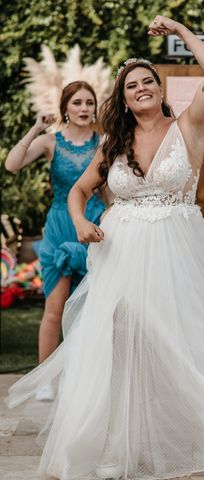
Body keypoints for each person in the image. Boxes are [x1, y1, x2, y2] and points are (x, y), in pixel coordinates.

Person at [8, 16, 204, 479]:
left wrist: (181, 31)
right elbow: (79, 191)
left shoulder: (190, 124)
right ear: (123, 99)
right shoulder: (113, 143)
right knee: (117, 346)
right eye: (132, 86)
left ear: (160, 90)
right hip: (120, 253)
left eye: (148, 82)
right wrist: (82, 222)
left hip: (176, 251)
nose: (141, 88)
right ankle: (113, 447)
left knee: (191, 342)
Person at [5, 81, 105, 401]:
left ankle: (91, 375)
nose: (84, 108)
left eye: (89, 103)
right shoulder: (51, 142)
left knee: (97, 307)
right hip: (61, 226)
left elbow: (109, 188)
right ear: (66, 108)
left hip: (95, 226)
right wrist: (35, 128)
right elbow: (12, 164)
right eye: (77, 103)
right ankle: (46, 378)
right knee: (55, 307)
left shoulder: (104, 142)